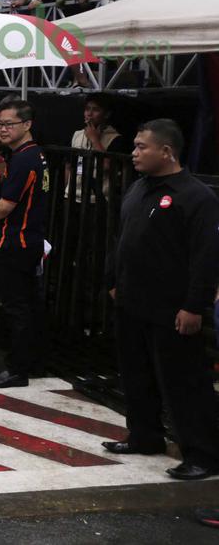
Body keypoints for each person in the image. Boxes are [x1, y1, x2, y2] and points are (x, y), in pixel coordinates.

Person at [103, 119, 219, 480]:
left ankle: (203, 454)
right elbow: (122, 237)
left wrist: (193, 306)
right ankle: (144, 435)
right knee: (136, 373)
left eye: (142, 147)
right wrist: (112, 279)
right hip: (132, 299)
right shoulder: (138, 188)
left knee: (184, 382)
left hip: (173, 307)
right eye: (135, 145)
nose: (134, 152)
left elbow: (206, 257)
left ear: (166, 152)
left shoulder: (196, 197)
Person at [0, 99, 47, 388]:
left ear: (27, 125)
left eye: (8, 125)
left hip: (15, 242)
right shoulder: (31, 155)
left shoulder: (26, 158)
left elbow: (7, 203)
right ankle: (29, 361)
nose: (2, 130)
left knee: (15, 306)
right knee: (25, 305)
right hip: (27, 239)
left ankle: (17, 369)